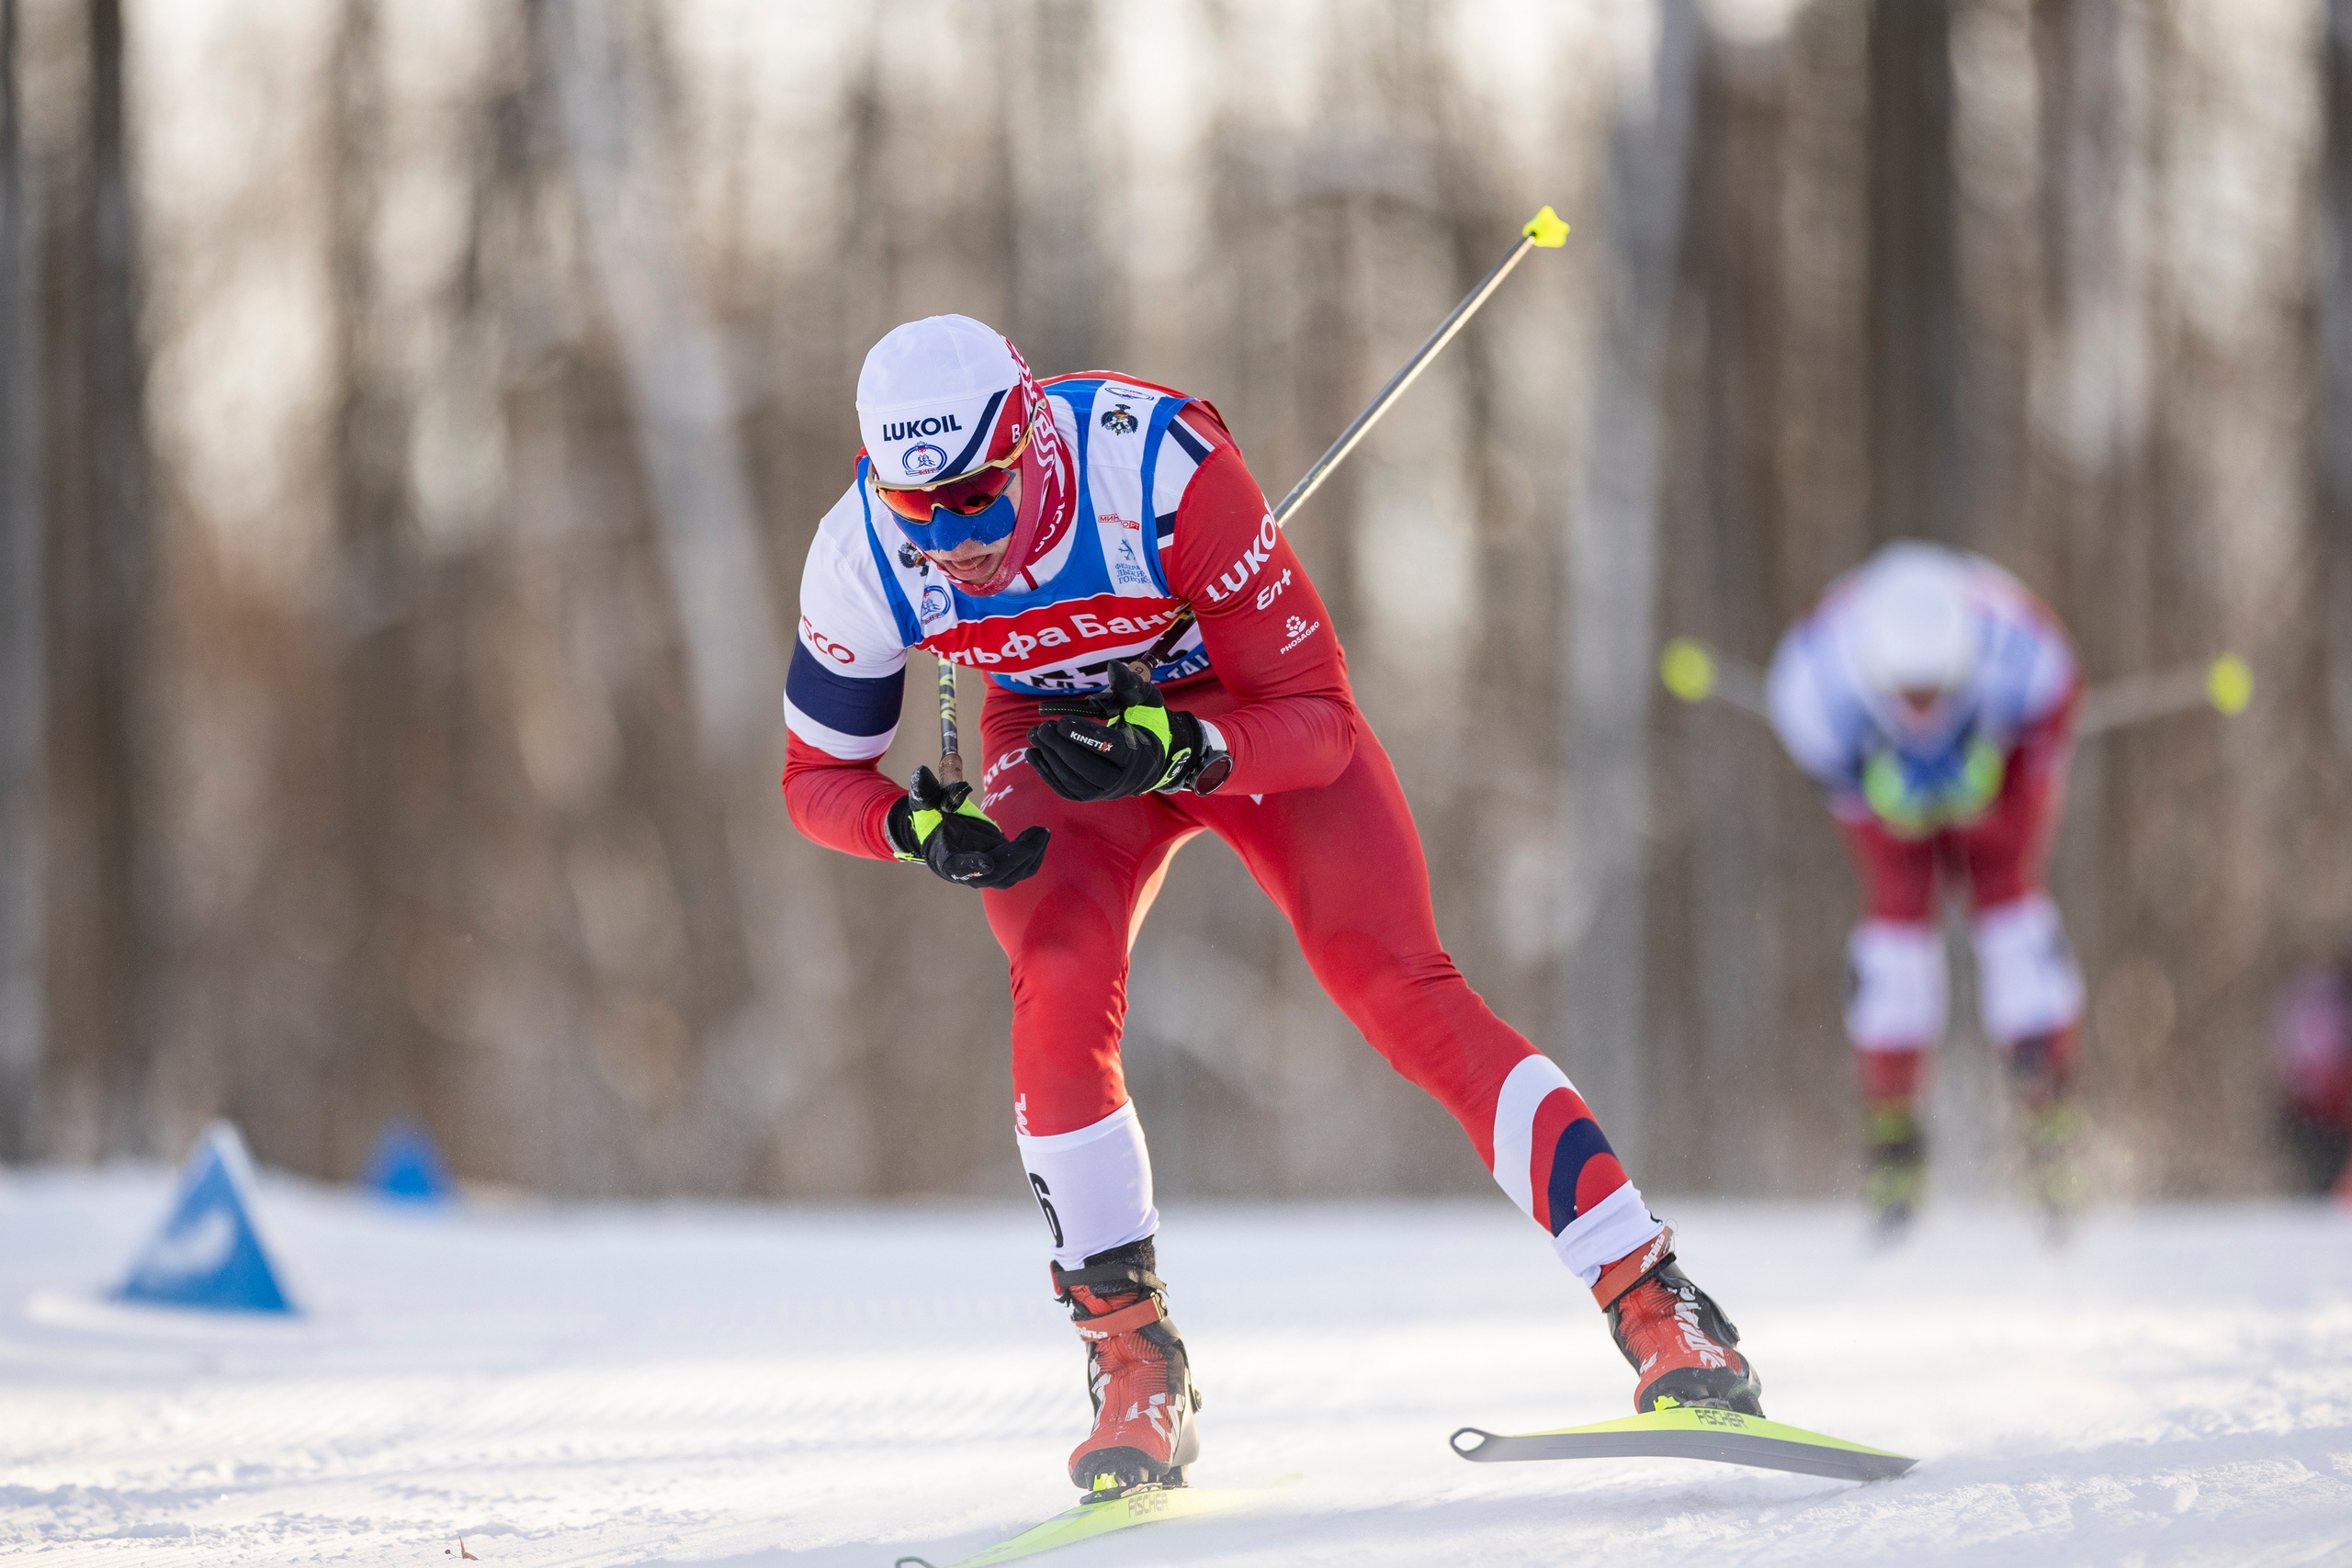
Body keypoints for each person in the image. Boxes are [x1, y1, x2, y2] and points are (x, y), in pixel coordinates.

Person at [782, 315, 1761, 1498]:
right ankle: (1132, 1360)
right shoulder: (861, 553)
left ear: (1032, 441)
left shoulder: (1157, 469)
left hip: (1233, 711)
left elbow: (1318, 720)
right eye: (918, 509)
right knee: (1057, 983)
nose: (956, 539)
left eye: (980, 497)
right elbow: (816, 779)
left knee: (1397, 987)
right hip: (1055, 741)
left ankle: (1656, 1301)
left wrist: (1183, 747)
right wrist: (913, 828)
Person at [1766, 542, 2085, 1240]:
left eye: (1937, 691)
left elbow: (2055, 716)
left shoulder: (2023, 653)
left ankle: (2047, 1121)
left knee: (2011, 909)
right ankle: (1894, 1141)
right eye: (1909, 695)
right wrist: (1877, 797)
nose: (1923, 708)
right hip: (1882, 787)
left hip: (1997, 767)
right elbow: (1834, 773)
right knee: (1896, 925)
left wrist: (1996, 794)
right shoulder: (1816, 679)